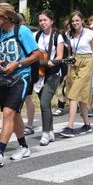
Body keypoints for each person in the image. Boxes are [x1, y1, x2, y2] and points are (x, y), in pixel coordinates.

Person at [0, 3, 40, 167]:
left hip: (21, 77)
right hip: (4, 79)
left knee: (8, 113)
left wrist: (18, 64)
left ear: (7, 17)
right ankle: (23, 146)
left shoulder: (22, 31)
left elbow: (37, 54)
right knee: (14, 114)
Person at [60, 11, 93, 138]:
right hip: (73, 62)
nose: (75, 23)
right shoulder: (68, 34)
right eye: (73, 21)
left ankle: (70, 127)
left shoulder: (90, 34)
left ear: (82, 21)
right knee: (78, 95)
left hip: (86, 62)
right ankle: (87, 124)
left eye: (77, 20)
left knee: (73, 95)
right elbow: (69, 51)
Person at [33, 10, 64, 146]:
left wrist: (53, 61)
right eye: (40, 20)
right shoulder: (36, 35)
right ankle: (50, 131)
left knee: (44, 103)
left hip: (53, 73)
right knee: (45, 104)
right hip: (39, 73)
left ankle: (45, 133)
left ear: (51, 21)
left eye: (45, 20)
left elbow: (59, 56)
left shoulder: (58, 37)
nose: (42, 23)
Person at [17, 13, 36, 136]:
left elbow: (33, 53)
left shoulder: (26, 32)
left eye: (20, 22)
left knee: (28, 98)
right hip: (15, 70)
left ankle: (29, 124)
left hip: (28, 68)